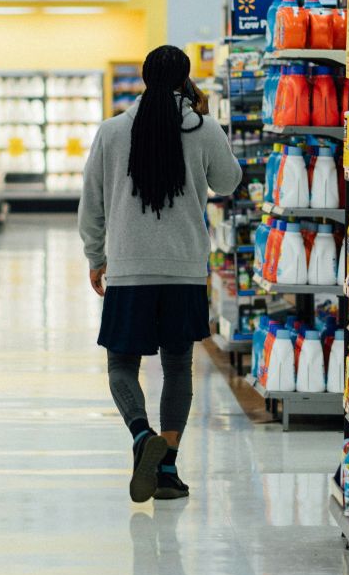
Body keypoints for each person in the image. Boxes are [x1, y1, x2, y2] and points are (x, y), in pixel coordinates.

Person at [79, 45, 242, 503]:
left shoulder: (112, 132)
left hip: (129, 268)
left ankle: (140, 435)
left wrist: (96, 256)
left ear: (144, 77)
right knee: (177, 365)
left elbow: (90, 204)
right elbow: (228, 182)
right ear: (186, 81)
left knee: (120, 365)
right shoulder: (202, 127)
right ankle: (167, 468)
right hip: (184, 269)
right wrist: (208, 122)